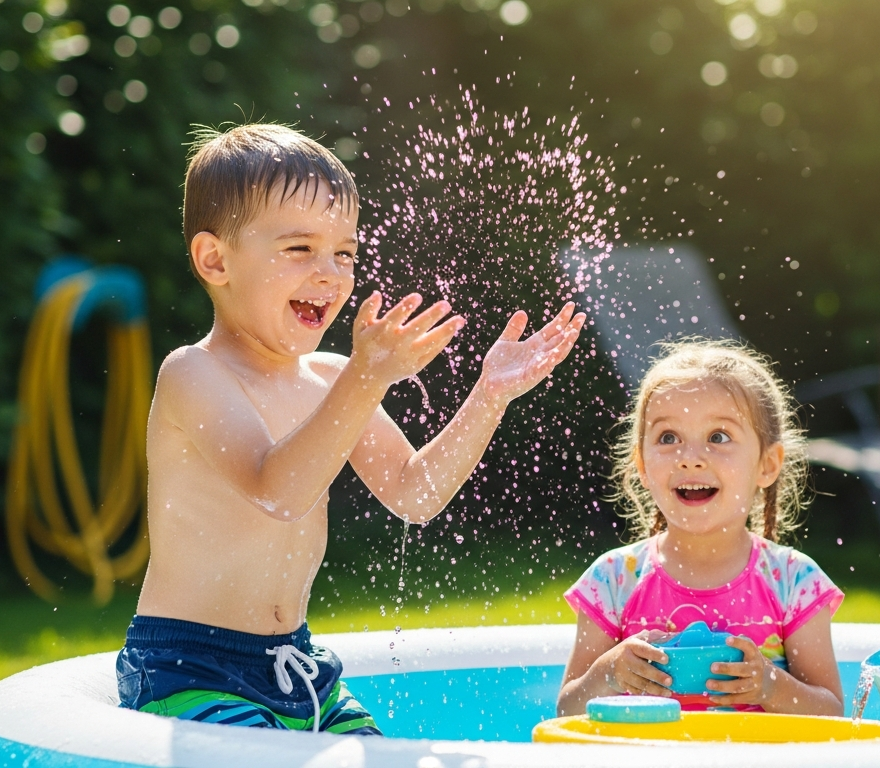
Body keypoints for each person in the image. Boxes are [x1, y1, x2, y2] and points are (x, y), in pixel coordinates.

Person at [116, 123, 585, 735]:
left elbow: (415, 494)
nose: (330, 272)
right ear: (215, 260)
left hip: (298, 667)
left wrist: (489, 395)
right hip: (191, 667)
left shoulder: (331, 377)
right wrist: (367, 378)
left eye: (344, 252)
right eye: (299, 249)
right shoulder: (195, 374)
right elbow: (276, 491)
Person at [557, 340, 845, 716]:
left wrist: (770, 686)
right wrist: (607, 673)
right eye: (668, 438)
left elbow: (833, 713)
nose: (690, 458)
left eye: (718, 437)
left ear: (767, 464)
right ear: (642, 464)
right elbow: (566, 711)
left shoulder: (793, 583)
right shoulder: (613, 581)